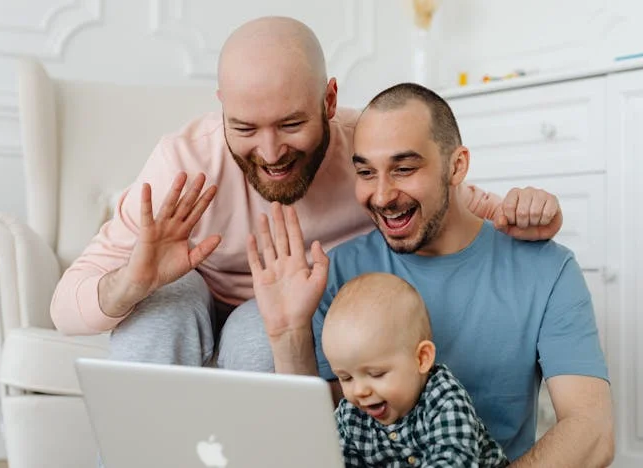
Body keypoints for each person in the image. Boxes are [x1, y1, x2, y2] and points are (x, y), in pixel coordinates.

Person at [50, 17, 563, 374]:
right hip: (193, 292)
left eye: (292, 123)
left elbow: (458, 206)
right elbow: (65, 309)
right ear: (222, 107)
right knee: (159, 309)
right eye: (245, 127)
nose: (270, 152)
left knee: (260, 332)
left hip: (294, 307)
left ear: (330, 100)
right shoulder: (182, 162)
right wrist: (131, 282)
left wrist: (527, 211)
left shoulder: (368, 146)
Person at [246, 83, 614, 466]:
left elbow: (592, 432)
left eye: (404, 169)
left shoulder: (547, 269)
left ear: (457, 166)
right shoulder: (334, 275)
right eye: (367, 172)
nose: (383, 195)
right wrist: (288, 332)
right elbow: (317, 443)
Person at [324, 272, 508, 467]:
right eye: (346, 378)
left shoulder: (445, 399)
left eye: (376, 374)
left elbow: (452, 460)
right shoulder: (350, 416)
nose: (359, 390)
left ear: (421, 358)